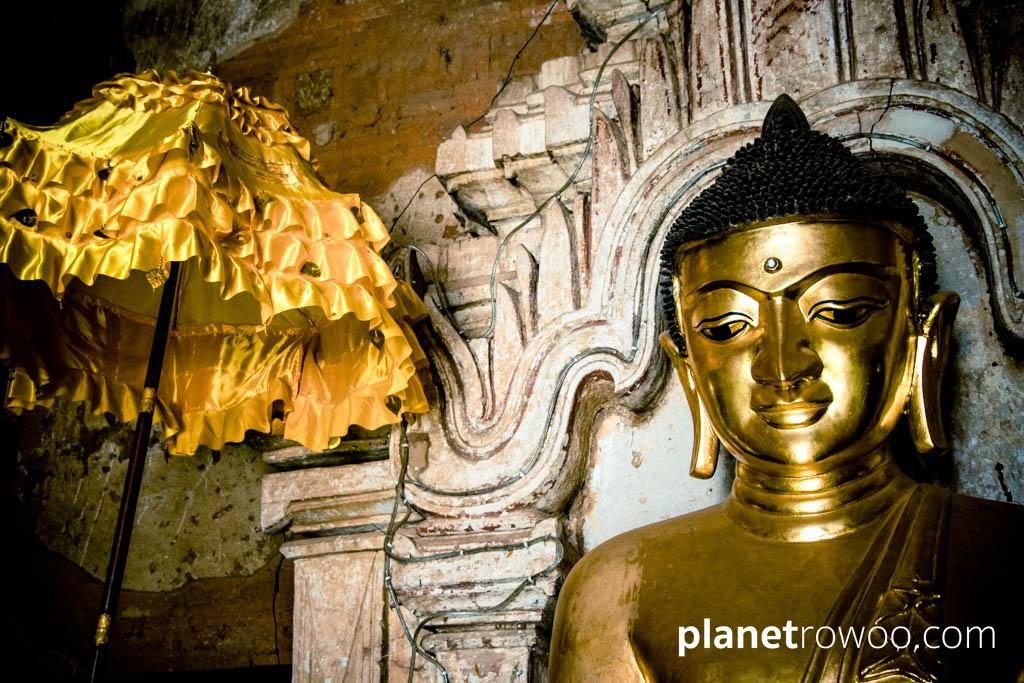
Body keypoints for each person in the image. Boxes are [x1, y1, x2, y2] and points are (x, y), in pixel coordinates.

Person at [548, 95, 1023, 682]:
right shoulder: (617, 590)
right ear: (690, 368)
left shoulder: (1007, 560)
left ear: (923, 337)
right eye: (727, 327)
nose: (782, 366)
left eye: (840, 311)